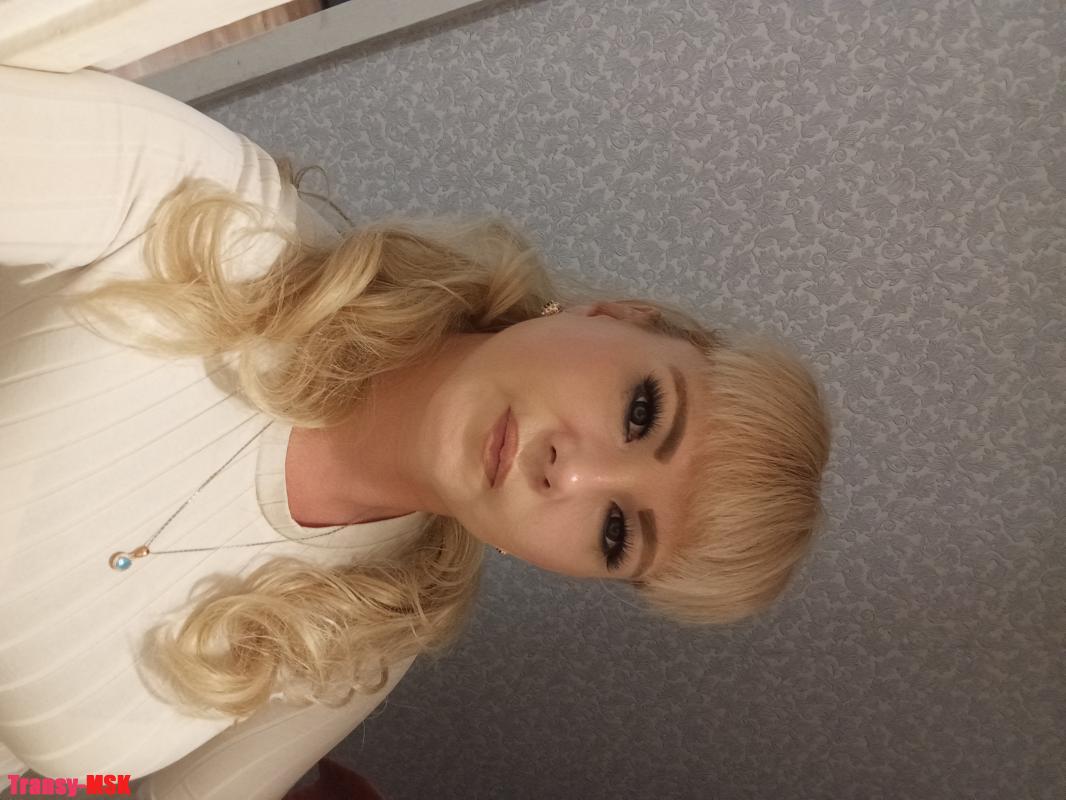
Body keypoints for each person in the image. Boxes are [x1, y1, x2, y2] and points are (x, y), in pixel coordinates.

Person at [0, 64, 831, 799]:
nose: (570, 475)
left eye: (616, 531)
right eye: (642, 413)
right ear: (616, 315)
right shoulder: (210, 216)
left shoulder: (356, 645)